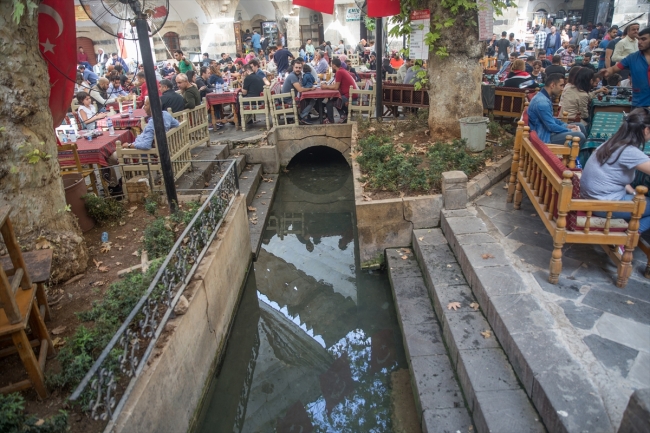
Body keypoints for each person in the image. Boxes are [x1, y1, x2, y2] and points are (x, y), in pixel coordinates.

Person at [580, 108, 650, 234]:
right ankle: (630, 236)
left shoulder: (614, 142)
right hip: (604, 205)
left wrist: (633, 192)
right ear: (646, 130)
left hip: (592, 199)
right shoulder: (629, 151)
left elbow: (614, 175)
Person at [527, 73, 586, 145]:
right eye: (561, 85)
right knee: (580, 136)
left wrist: (566, 126)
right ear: (552, 85)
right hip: (544, 137)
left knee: (580, 126)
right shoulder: (542, 102)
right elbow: (551, 127)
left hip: (547, 132)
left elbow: (551, 119)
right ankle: (578, 152)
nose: (562, 89)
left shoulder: (543, 97)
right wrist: (570, 130)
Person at [604, 27, 650, 109]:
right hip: (639, 104)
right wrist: (607, 71)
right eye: (639, 39)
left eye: (643, 39)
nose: (639, 42)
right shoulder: (632, 58)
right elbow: (614, 68)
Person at [321, 58, 357, 124]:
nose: (331, 67)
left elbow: (336, 87)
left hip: (349, 96)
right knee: (334, 99)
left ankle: (330, 120)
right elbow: (336, 85)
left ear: (334, 65)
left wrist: (326, 87)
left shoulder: (339, 72)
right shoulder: (342, 70)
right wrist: (327, 86)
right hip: (350, 94)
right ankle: (343, 115)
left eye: (331, 65)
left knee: (330, 103)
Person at [280, 60, 315, 124]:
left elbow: (301, 86)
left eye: (299, 68)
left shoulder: (297, 75)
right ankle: (302, 117)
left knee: (308, 99)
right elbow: (300, 89)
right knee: (312, 100)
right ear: (293, 67)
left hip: (290, 98)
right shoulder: (292, 76)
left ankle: (303, 116)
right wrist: (311, 89)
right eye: (296, 67)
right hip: (287, 100)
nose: (298, 69)